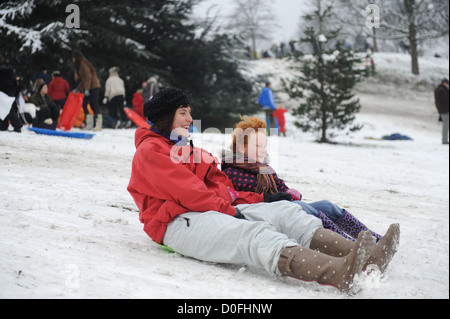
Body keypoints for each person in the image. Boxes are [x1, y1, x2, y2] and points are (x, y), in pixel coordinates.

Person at [127, 88, 400, 293]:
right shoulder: (151, 151)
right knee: (254, 234)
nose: (190, 118)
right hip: (174, 222)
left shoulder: (192, 150)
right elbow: (189, 193)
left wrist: (262, 200)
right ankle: (337, 272)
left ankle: (368, 256)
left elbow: (226, 191)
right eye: (183, 112)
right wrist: (233, 212)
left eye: (189, 112)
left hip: (209, 210)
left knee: (285, 212)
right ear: (166, 117)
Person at [221, 116, 386, 243]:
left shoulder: (265, 169)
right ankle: (347, 243)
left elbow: (280, 186)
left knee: (326, 206)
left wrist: (288, 192)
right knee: (302, 208)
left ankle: (372, 238)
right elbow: (238, 201)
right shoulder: (232, 172)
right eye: (257, 146)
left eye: (265, 145)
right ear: (241, 147)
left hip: (284, 207)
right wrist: (273, 199)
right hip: (266, 214)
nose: (263, 150)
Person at [72, 50, 102, 131]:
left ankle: (99, 125)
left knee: (95, 104)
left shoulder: (82, 63)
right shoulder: (79, 65)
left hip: (94, 86)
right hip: (89, 87)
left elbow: (88, 76)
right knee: (84, 104)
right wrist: (77, 89)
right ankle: (89, 124)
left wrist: (87, 89)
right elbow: (83, 80)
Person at [0, 53, 23, 132]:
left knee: (8, 110)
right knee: (5, 109)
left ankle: (17, 124)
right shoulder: (8, 70)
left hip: (2, 92)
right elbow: (13, 82)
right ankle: (3, 125)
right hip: (10, 92)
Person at [434, 79, 449, 144]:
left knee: (446, 124)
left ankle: (444, 139)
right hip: (445, 110)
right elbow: (445, 100)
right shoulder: (442, 90)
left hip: (442, 110)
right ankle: (444, 140)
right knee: (446, 125)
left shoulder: (439, 89)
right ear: (444, 83)